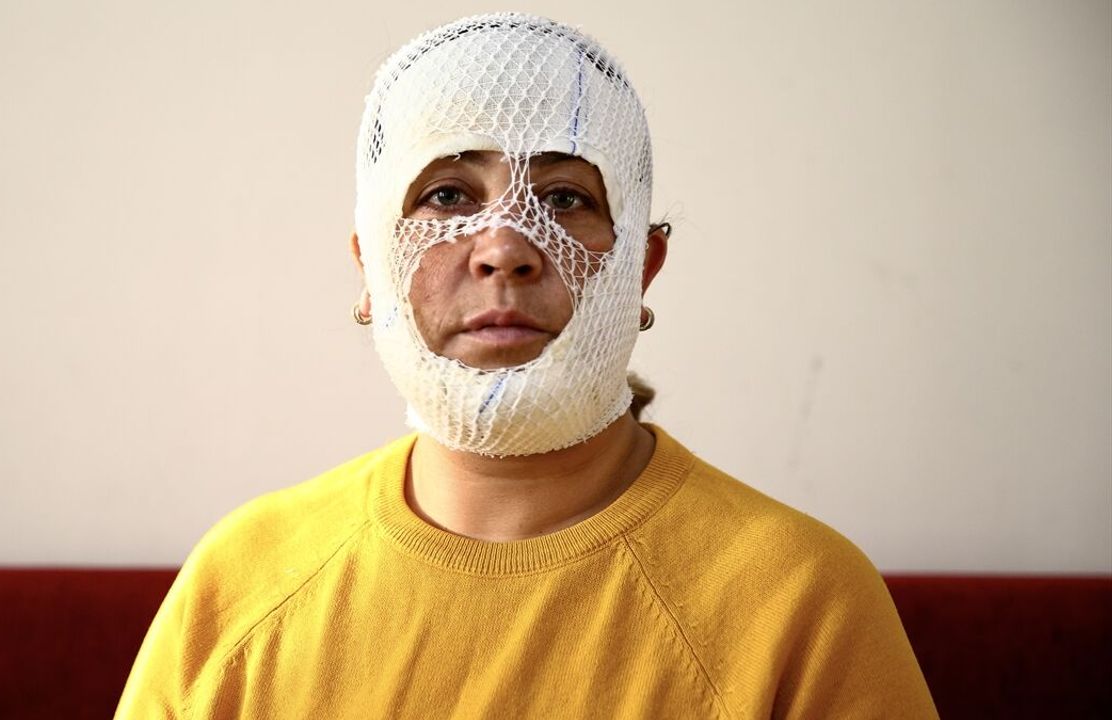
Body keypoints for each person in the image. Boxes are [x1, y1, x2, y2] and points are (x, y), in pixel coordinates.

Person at [115, 13, 938, 719]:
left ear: (641, 267)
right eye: (446, 196)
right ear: (370, 265)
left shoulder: (804, 600)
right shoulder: (241, 581)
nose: (505, 247)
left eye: (565, 198)